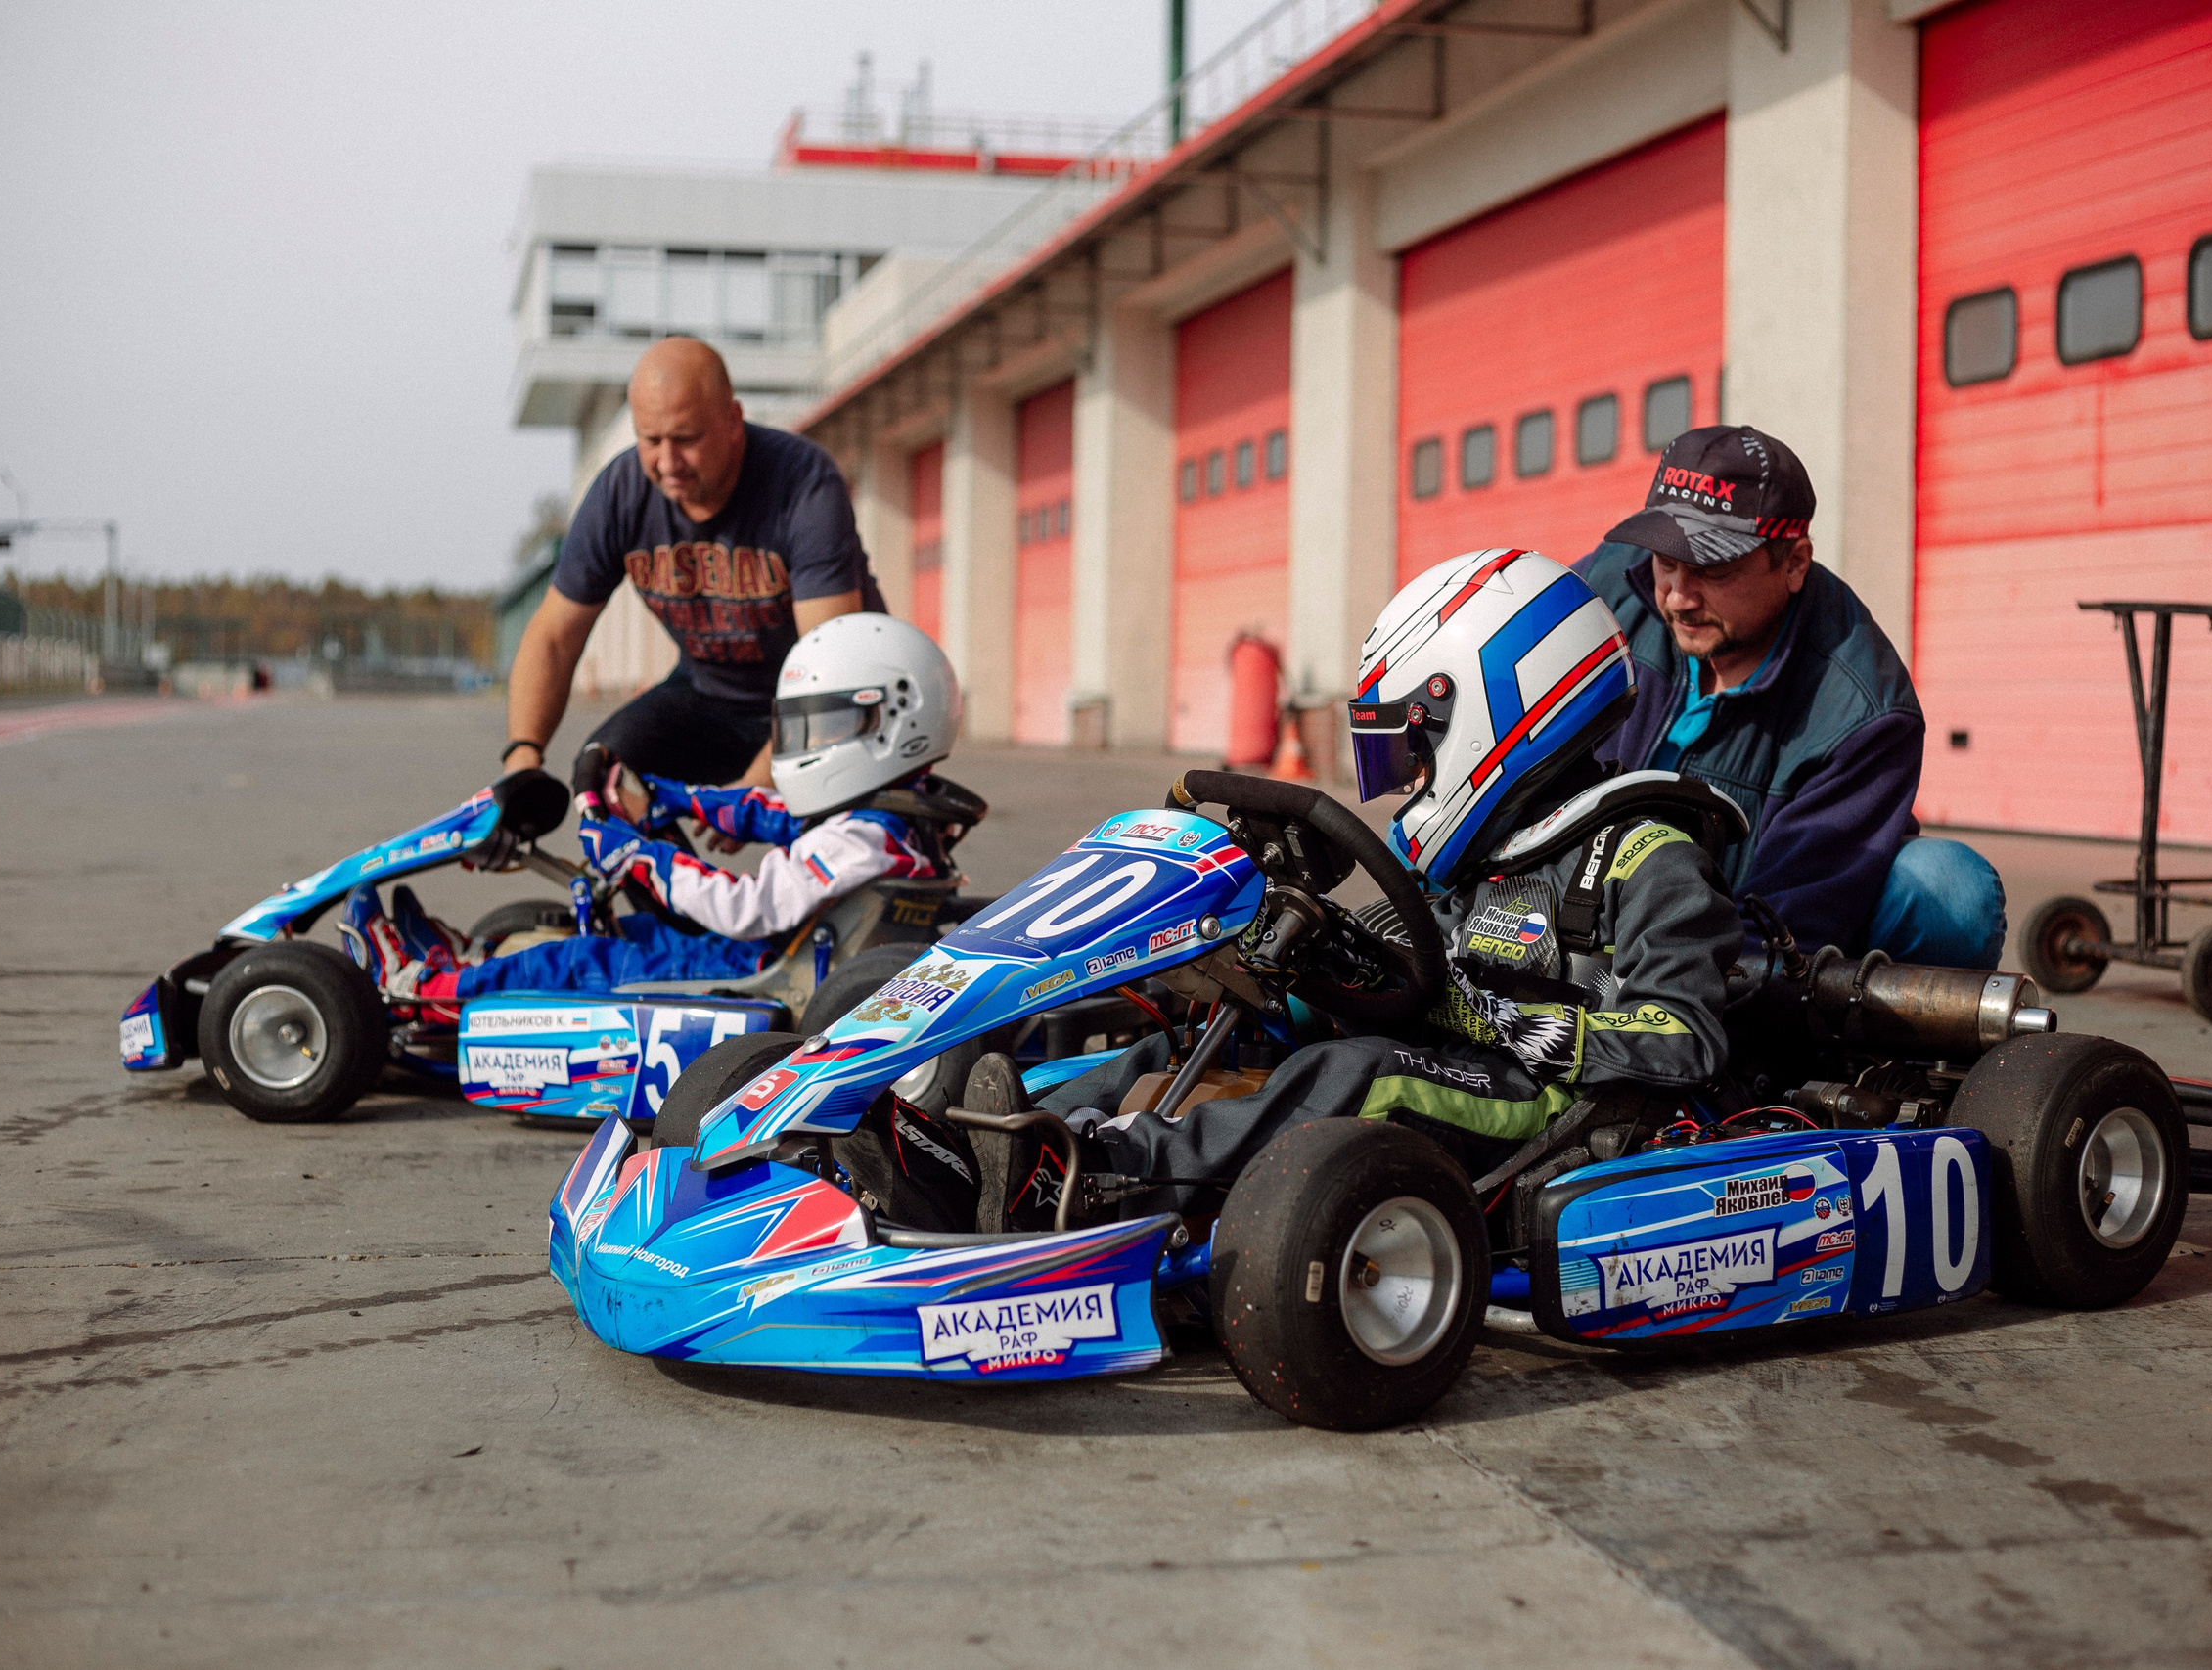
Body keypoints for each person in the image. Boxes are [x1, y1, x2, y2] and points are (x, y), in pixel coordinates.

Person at [911, 550, 1745, 1235]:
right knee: (1211, 1045)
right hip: (1451, 1061)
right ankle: (973, 1144)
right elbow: (1414, 973)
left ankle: (1092, 1181)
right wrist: (1298, 977)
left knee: (1362, 1072)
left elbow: (1684, 1039)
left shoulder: (1648, 854)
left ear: (1498, 703)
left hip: (1552, 1111)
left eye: (1415, 747)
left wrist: (1486, 1018)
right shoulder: (1483, 852)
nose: (1407, 778)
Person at [348, 614, 957, 1008]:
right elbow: (771, 815)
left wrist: (641, 856)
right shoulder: (893, 820)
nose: (811, 745)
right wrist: (671, 796)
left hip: (761, 970)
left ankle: (426, 987)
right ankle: (477, 961)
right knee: (631, 931)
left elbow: (748, 908)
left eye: (826, 726)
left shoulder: (859, 840)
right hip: (793, 952)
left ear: (892, 719)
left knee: (591, 958)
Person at [1574, 425, 2007, 970]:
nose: (1679, 597)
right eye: (1666, 562)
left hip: (1742, 917)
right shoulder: (1603, 587)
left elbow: (1787, 921)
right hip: (1581, 889)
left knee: (1948, 890)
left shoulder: (1863, 712)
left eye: (1713, 570)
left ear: (1795, 563)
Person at [499, 337, 887, 790]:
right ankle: (668, 865)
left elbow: (831, 660)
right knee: (606, 782)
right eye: (650, 440)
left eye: (686, 440)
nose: (668, 463)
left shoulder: (804, 483)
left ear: (732, 421)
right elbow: (554, 637)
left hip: (837, 700)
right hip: (708, 697)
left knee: (831, 845)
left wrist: (756, 785)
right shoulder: (621, 493)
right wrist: (522, 759)